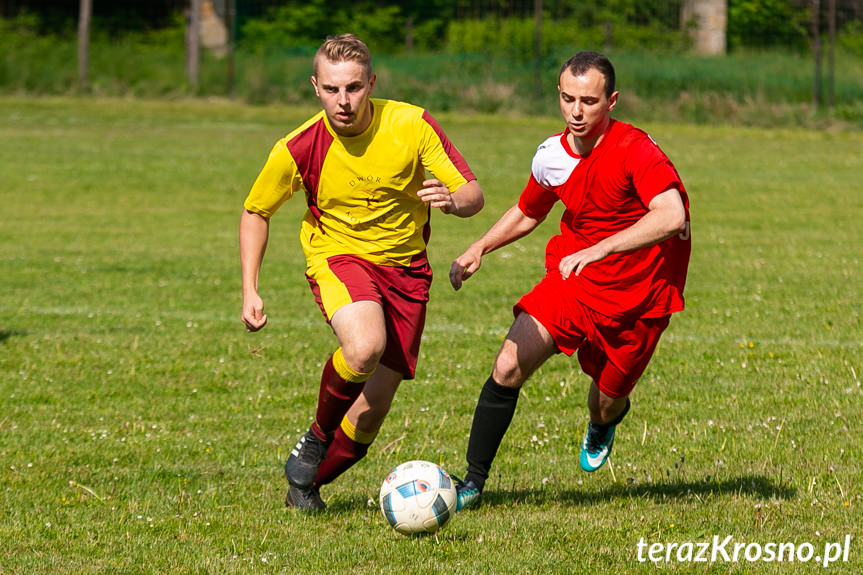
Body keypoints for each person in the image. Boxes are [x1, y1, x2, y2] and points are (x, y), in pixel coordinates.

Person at [239, 34, 483, 512]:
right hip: (339, 255)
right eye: (331, 90)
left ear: (371, 82)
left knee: (371, 414)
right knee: (365, 345)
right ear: (315, 87)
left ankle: (304, 485)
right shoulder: (299, 146)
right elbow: (256, 211)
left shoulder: (411, 125)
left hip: (407, 270)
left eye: (353, 87)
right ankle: (315, 437)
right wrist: (250, 287)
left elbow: (473, 192)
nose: (343, 101)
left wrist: (454, 203)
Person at [448, 51, 691, 509]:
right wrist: (478, 247)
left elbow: (672, 213)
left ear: (612, 101)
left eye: (589, 101)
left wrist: (601, 247)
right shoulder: (551, 156)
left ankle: (604, 421)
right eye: (567, 99)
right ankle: (472, 484)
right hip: (573, 280)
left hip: (640, 296)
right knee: (507, 365)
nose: (576, 111)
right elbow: (528, 210)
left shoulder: (635, 149)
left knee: (605, 401)